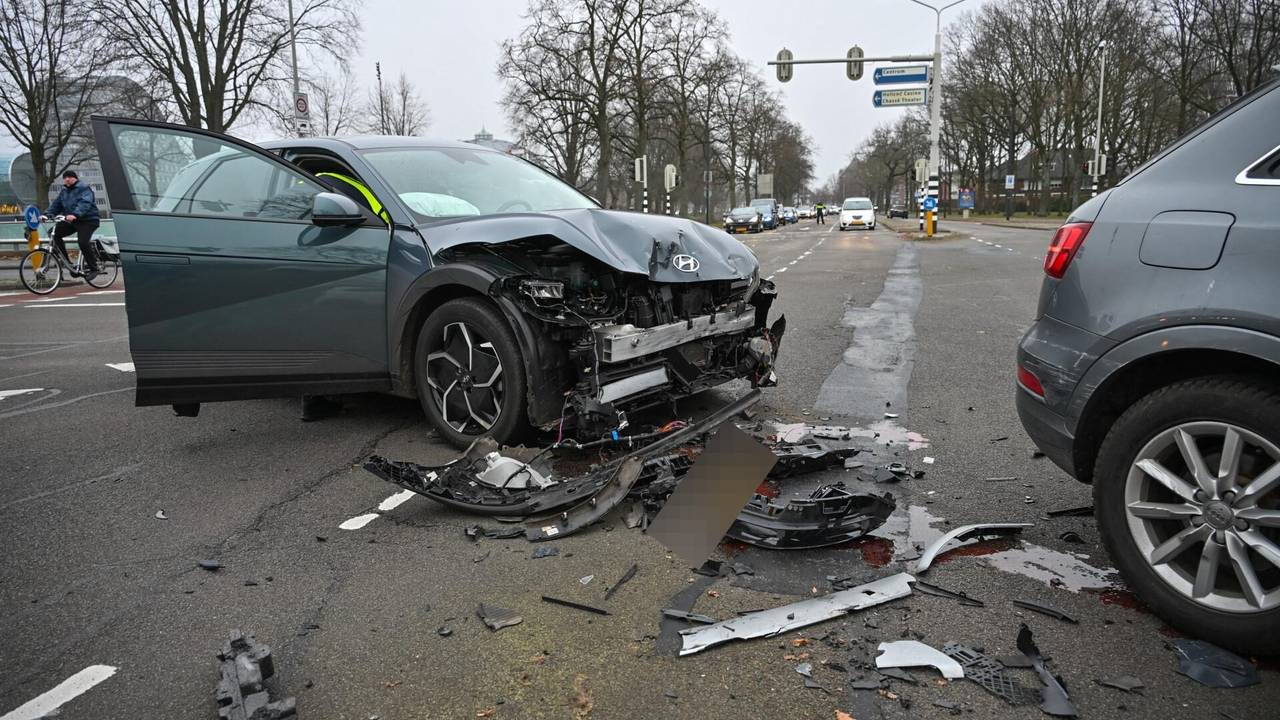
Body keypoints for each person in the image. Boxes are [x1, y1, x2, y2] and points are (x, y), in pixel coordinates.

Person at [42, 170, 102, 280]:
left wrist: (75, 214)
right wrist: (47, 214)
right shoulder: (64, 191)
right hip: (72, 221)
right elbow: (56, 205)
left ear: (75, 178)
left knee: (83, 242)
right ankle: (67, 262)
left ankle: (94, 268)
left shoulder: (84, 188)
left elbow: (85, 203)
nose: (67, 179)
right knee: (54, 233)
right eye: (65, 177)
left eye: (69, 177)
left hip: (88, 220)